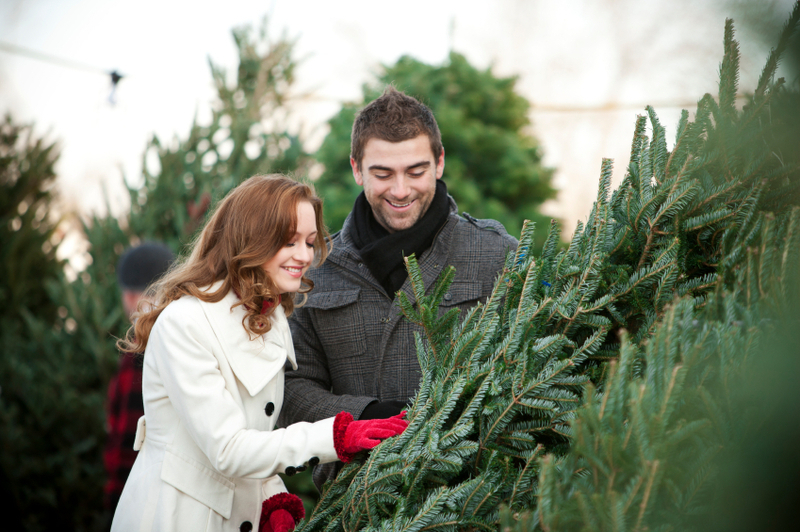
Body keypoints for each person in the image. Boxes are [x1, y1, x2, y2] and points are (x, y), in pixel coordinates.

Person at [111, 175, 407, 532]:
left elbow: (256, 430)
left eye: (310, 242)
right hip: (176, 516)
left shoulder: (270, 316)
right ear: (251, 239)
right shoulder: (185, 322)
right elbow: (227, 449)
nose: (304, 256)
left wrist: (271, 495)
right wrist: (336, 436)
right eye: (289, 242)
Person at [279, 87, 518, 488]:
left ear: (439, 163)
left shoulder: (496, 253)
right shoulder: (316, 270)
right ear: (357, 169)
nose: (401, 190)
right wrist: (367, 414)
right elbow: (292, 389)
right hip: (355, 502)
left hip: (474, 498)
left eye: (416, 171)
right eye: (383, 174)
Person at [104, 242, 175, 515]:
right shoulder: (179, 340)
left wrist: (117, 501)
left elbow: (127, 441)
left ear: (133, 296)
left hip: (138, 498)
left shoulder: (142, 351)